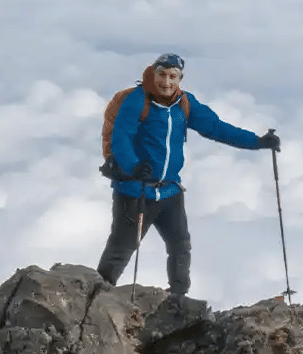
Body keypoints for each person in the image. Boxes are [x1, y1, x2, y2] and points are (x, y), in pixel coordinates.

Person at [95, 53, 281, 295]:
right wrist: (133, 167)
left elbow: (216, 128)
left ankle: (178, 299)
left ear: (180, 78)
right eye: (162, 75)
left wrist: (257, 142)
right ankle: (96, 296)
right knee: (122, 248)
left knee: (180, 246)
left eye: (173, 76)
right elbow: (121, 138)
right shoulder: (136, 100)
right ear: (153, 74)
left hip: (170, 191)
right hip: (135, 190)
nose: (166, 82)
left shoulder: (185, 103)